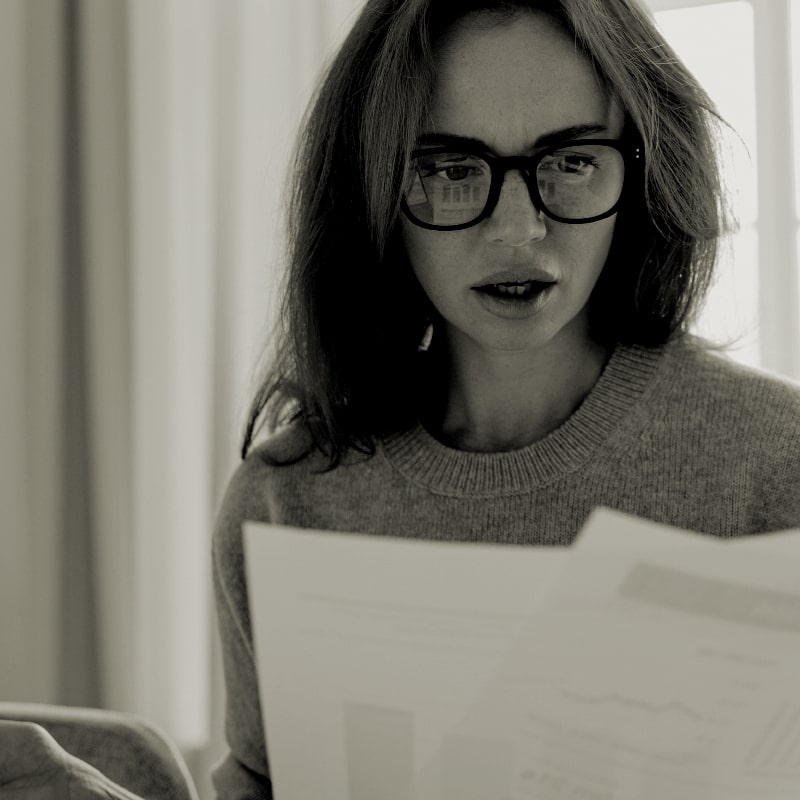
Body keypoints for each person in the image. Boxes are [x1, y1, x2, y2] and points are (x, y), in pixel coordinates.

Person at [211, 0, 800, 796]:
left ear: (642, 167)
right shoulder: (284, 506)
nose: (519, 231)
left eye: (571, 161)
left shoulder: (775, 464)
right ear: (374, 195)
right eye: (451, 171)